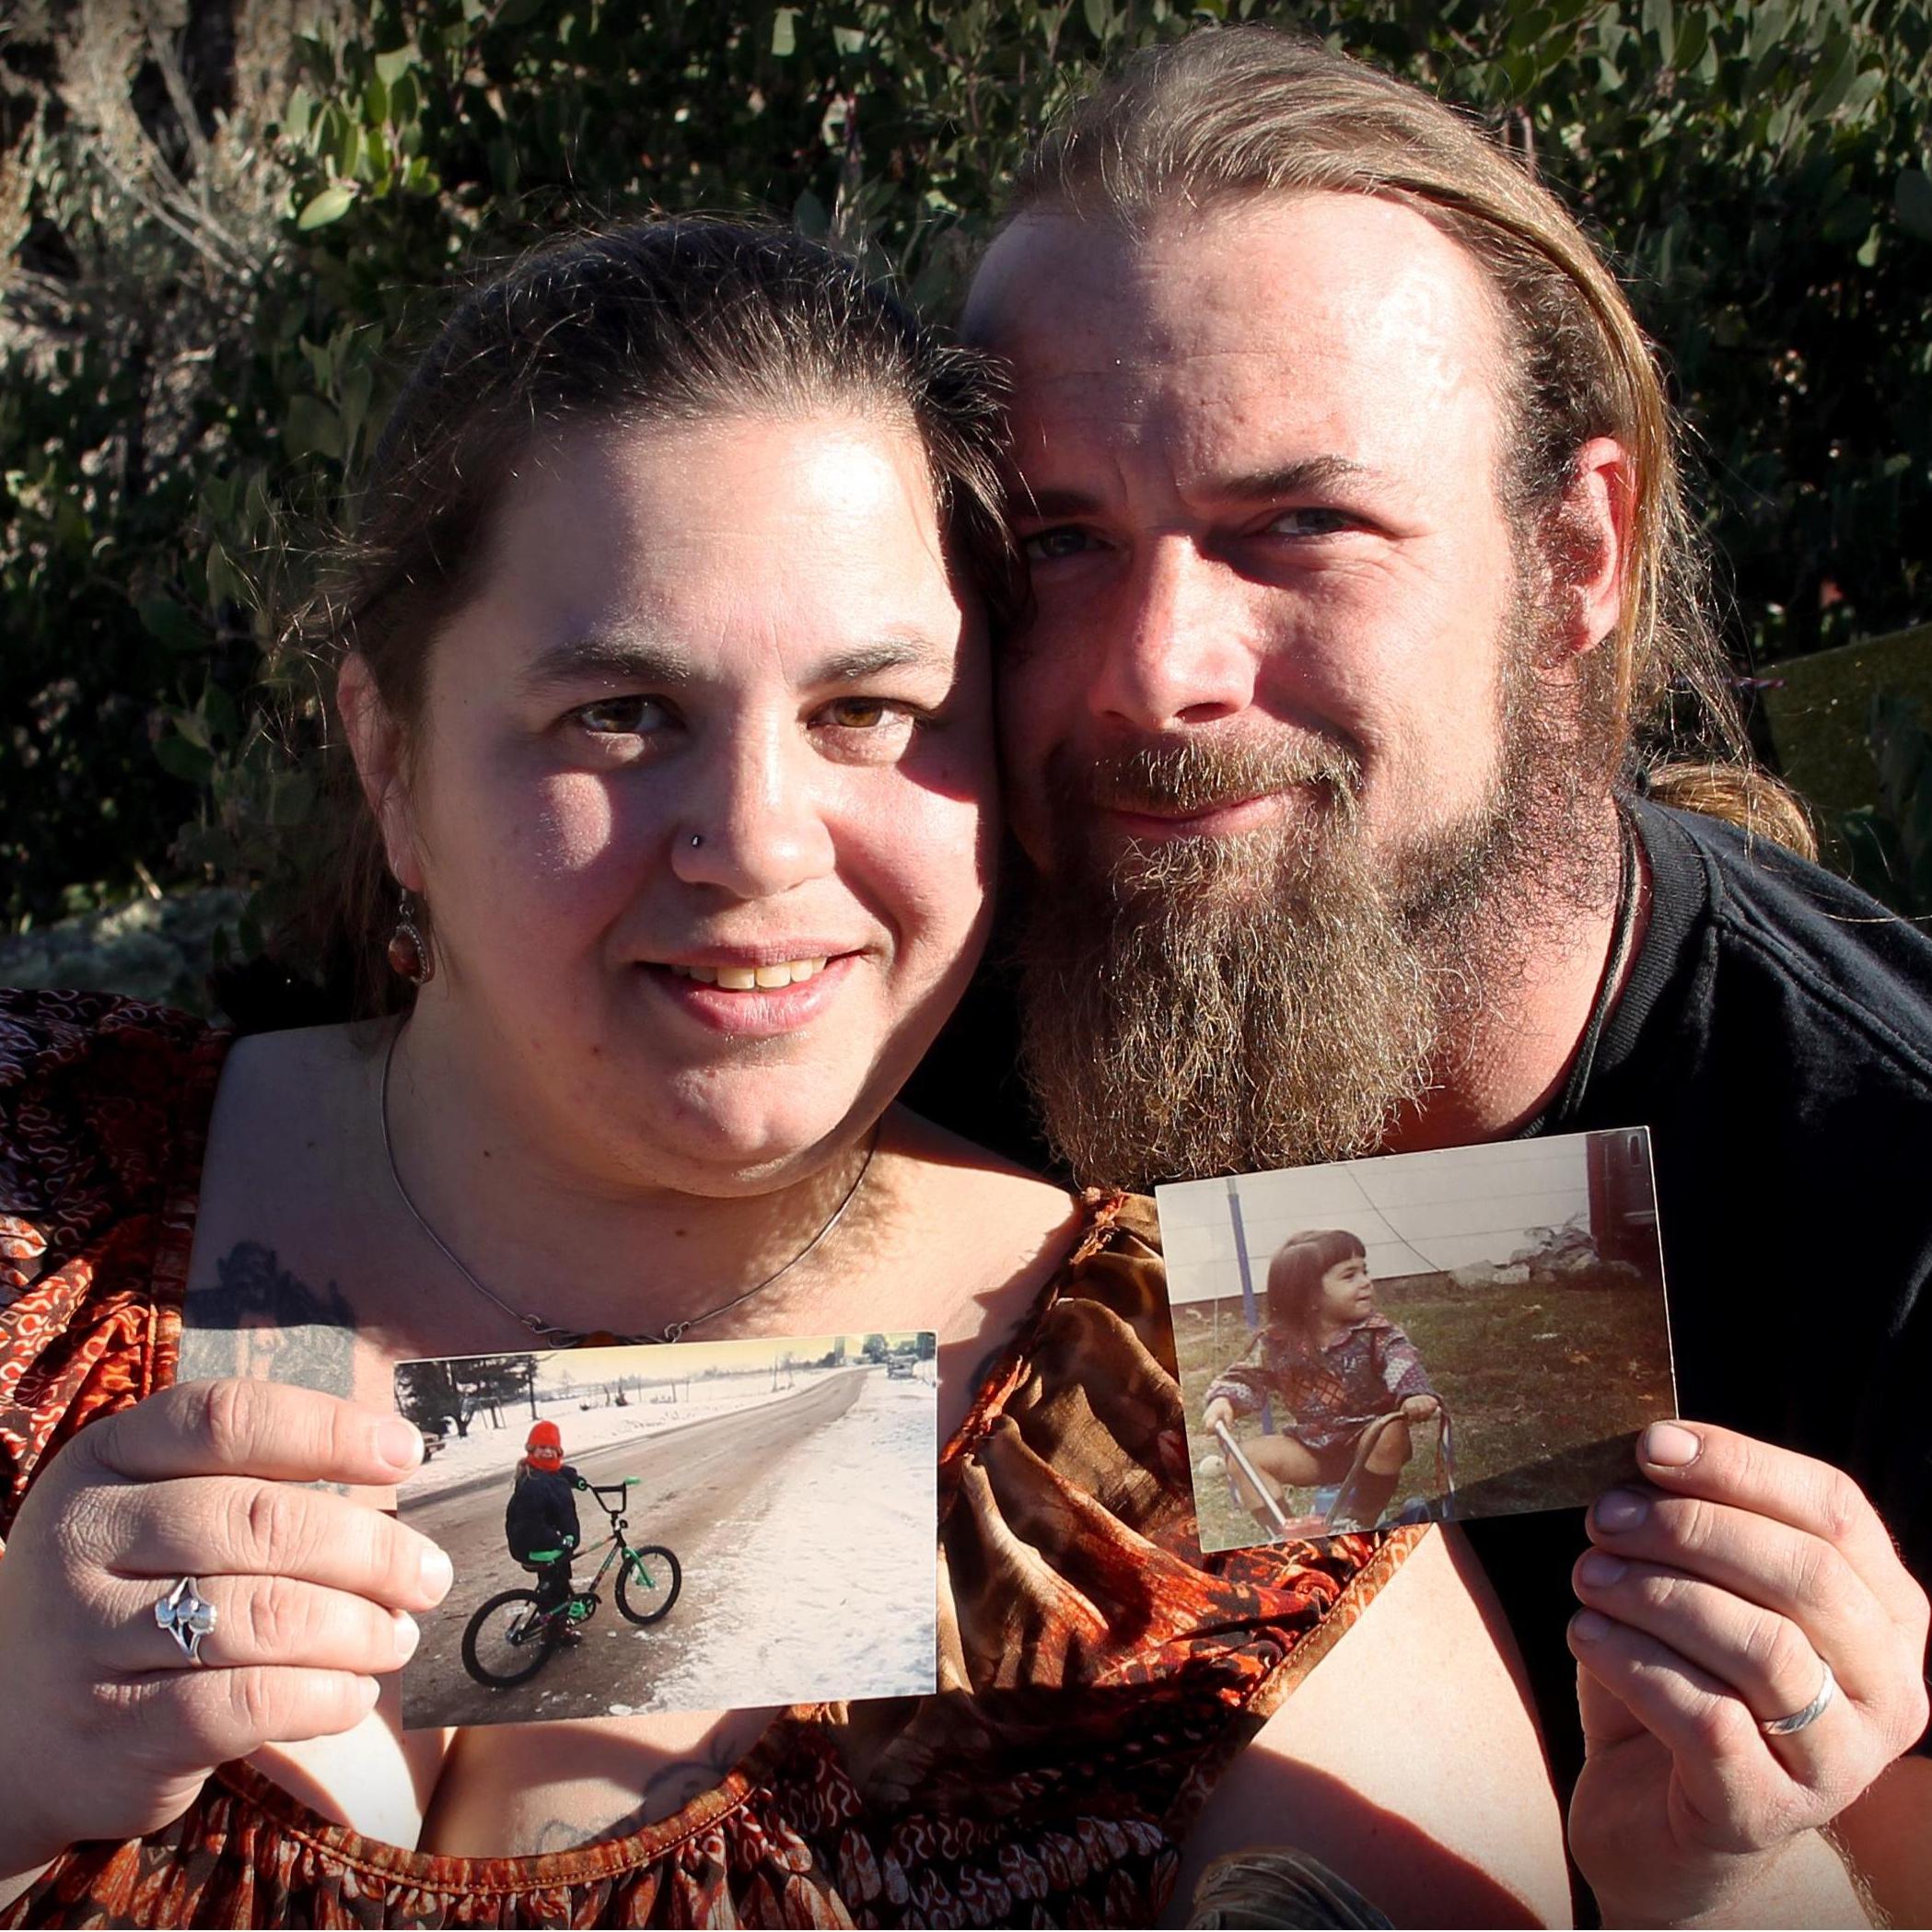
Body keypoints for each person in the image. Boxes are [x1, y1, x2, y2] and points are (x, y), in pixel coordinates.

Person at [0, 217, 1572, 1929]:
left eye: (871, 709)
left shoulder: (1269, 1363)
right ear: (389, 755)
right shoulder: (40, 1186)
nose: (754, 842)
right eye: (618, 710)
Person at [956, 23, 1932, 1926]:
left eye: (1295, 524)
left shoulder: (1884, 1192)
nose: (1156, 670)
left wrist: (1782, 1866)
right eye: (1058, 539)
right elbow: (573, 1559)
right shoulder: (903, 999)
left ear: (1575, 553)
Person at [1202, 1231, 1442, 1536]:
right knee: (1244, 1458)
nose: (1366, 1281)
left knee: (1389, 1429)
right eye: (1349, 1275)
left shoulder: (1376, 1335)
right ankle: (1288, 1534)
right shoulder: (1278, 1342)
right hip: (1312, 1448)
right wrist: (1225, 1401)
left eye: (1364, 1271)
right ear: (1309, 1296)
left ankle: (1358, 1520)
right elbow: (1249, 1377)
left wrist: (1414, 1394)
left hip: (1367, 1443)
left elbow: (1401, 1361)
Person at [506, 1420, 584, 1632]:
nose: (548, 1453)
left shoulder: (545, 1471)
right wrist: (560, 1539)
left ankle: (554, 1618)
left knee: (556, 1582)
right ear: (532, 1450)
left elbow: (559, 1471)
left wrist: (575, 1479)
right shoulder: (534, 1484)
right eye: (542, 1448)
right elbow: (531, 1525)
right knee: (556, 1592)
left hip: (546, 1541)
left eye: (552, 1448)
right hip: (540, 1543)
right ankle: (555, 1632)